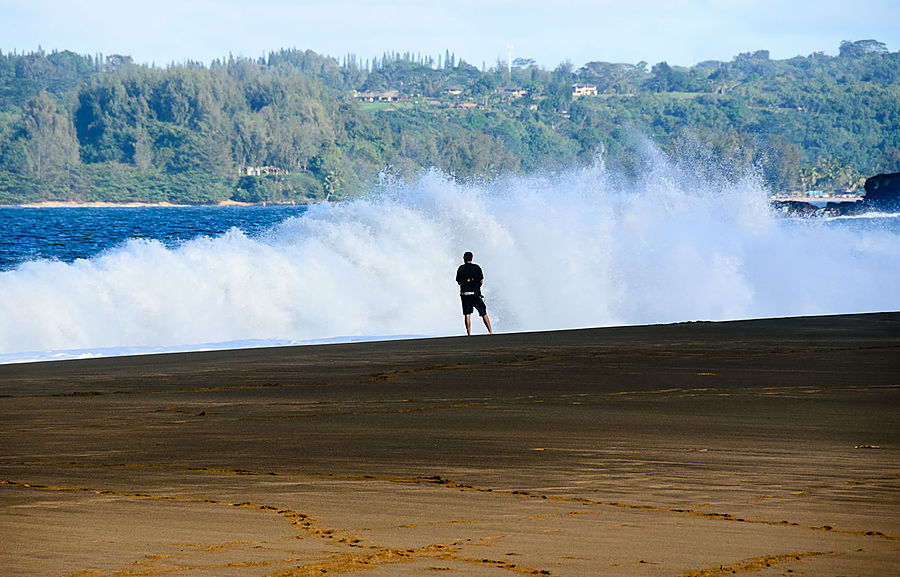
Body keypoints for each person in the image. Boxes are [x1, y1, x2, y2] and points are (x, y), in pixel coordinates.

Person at [455, 251, 493, 335]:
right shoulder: (477, 267)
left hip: (465, 294)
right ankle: (490, 332)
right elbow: (481, 281)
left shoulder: (461, 268)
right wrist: (477, 287)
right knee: (483, 313)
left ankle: (469, 334)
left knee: (467, 314)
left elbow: (458, 281)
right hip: (475, 294)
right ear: (471, 258)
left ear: (464, 258)